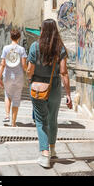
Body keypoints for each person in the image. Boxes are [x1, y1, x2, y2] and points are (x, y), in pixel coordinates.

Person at [27, 18, 72, 169]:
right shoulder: (60, 48)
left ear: (42, 30)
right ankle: (52, 149)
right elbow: (64, 72)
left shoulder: (34, 46)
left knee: (41, 120)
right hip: (54, 87)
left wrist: (29, 77)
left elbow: (30, 70)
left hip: (38, 87)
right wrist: (68, 95)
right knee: (53, 119)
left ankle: (44, 154)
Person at [0, 29, 27, 127]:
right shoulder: (21, 49)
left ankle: (7, 115)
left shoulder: (6, 48)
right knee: (16, 98)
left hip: (7, 76)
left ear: (10, 37)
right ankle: (13, 123)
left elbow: (2, 64)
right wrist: (28, 72)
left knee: (7, 94)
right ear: (19, 38)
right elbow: (24, 65)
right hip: (18, 76)